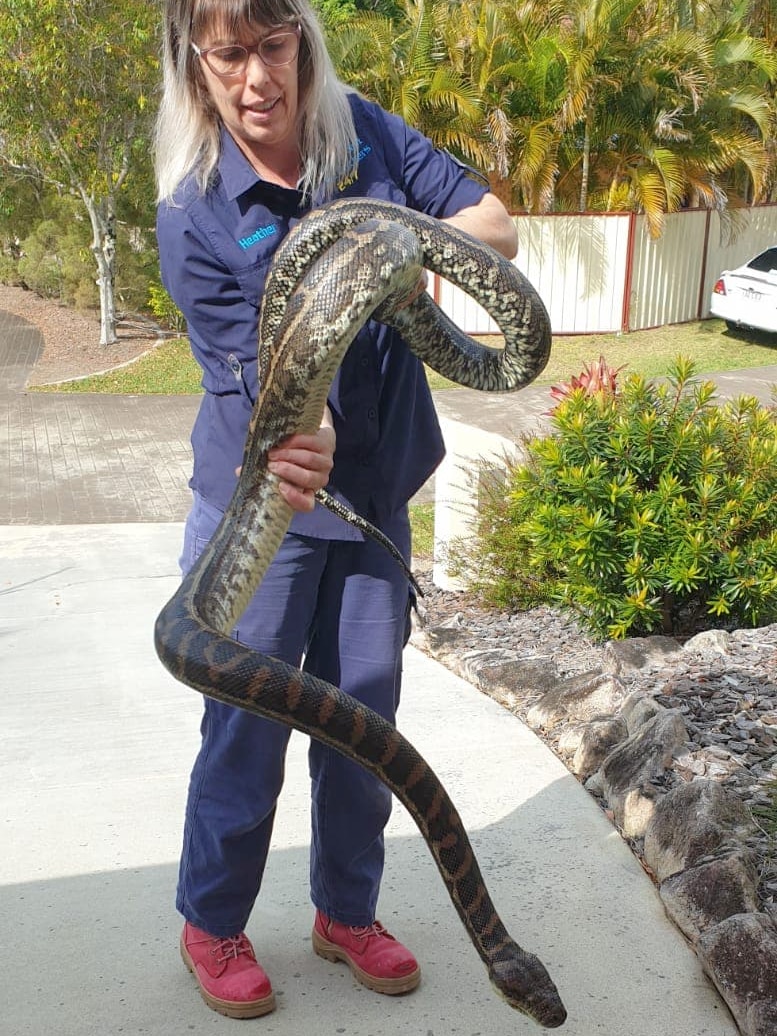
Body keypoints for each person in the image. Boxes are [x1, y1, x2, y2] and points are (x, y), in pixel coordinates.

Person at [154, 0, 518, 1019]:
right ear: (198, 64)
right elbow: (264, 397)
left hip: (373, 494)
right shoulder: (194, 207)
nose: (256, 79)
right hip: (266, 503)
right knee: (247, 729)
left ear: (302, 42)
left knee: (365, 717)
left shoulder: (365, 135)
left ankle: (345, 909)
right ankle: (213, 920)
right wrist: (293, 440)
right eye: (228, 54)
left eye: (273, 46)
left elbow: (494, 225)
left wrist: (386, 247)